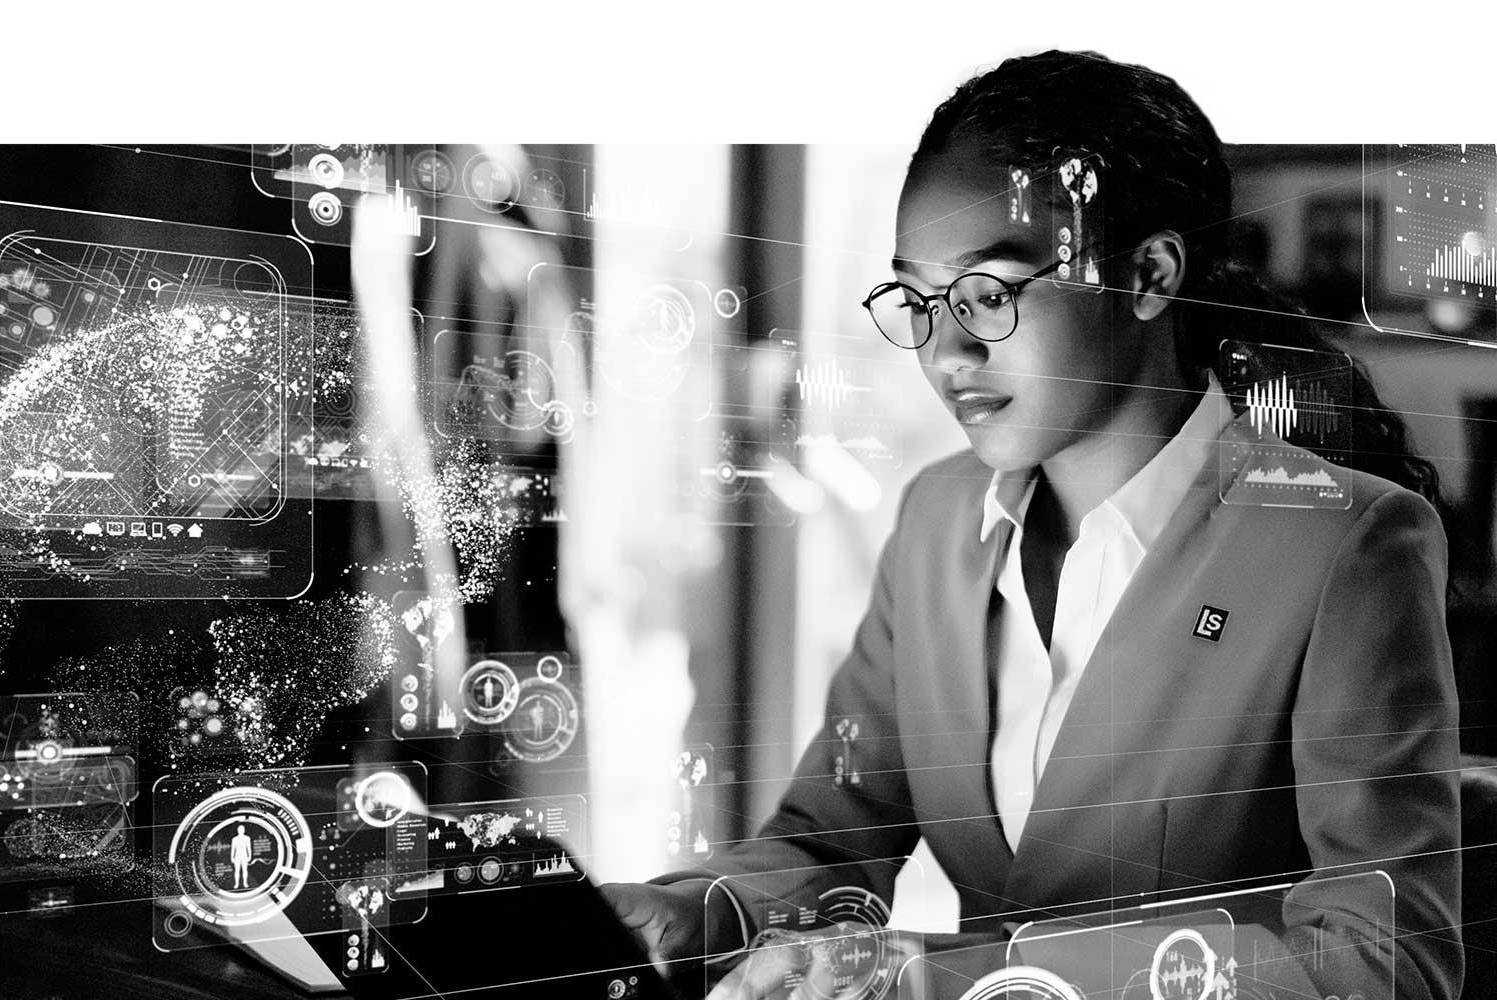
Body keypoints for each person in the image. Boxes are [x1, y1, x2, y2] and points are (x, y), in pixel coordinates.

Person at [606, 50, 1461, 1000]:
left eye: (990, 294)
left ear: (1149, 273)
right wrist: (702, 911)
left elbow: (1390, 962)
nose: (946, 350)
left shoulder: (1344, 545)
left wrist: (966, 978)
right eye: (921, 300)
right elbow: (833, 832)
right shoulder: (937, 519)